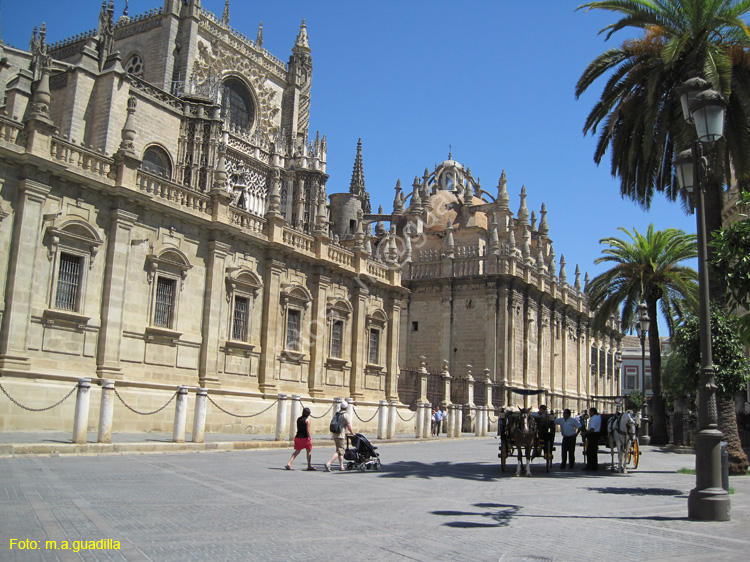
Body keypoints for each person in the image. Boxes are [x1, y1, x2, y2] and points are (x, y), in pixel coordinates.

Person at [324, 401, 355, 472]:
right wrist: (352, 432)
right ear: (346, 407)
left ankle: (341, 466)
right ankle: (329, 463)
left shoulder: (337, 413)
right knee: (340, 450)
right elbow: (348, 425)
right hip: (341, 435)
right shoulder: (346, 415)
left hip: (335, 434)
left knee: (339, 450)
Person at [584, 407, 602, 471]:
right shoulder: (598, 417)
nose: (589, 413)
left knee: (590, 451)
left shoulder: (593, 419)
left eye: (590, 412)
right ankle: (594, 465)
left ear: (592, 412)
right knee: (594, 451)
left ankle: (591, 466)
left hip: (592, 435)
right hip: (597, 434)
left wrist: (585, 433)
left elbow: (592, 429)